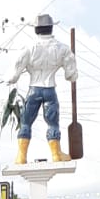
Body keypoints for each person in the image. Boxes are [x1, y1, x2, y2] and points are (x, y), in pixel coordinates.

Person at [10, 13, 78, 165]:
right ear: (51, 28)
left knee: (26, 122)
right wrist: (71, 74)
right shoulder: (63, 48)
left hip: (33, 90)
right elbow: (71, 75)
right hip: (50, 90)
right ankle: (56, 154)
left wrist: (10, 78)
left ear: (36, 29)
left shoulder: (29, 47)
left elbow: (14, 73)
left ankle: (21, 156)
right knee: (53, 123)